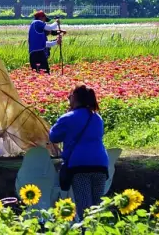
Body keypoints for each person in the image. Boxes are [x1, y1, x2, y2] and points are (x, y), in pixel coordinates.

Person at [49, 85, 108, 220]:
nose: (68, 99)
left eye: (69, 97)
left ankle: (86, 231)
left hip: (80, 166)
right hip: (101, 165)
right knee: (97, 206)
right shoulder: (97, 118)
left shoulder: (68, 117)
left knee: (84, 208)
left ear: (74, 98)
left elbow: (53, 136)